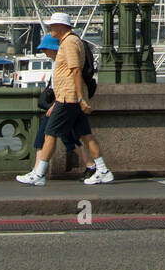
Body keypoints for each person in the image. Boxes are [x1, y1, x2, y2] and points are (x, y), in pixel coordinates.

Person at [15, 13, 113, 186]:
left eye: (52, 26)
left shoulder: (69, 43)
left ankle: (39, 173)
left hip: (68, 98)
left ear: (61, 27)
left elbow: (75, 70)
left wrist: (80, 98)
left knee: (50, 134)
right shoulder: (69, 42)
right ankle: (103, 170)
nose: (50, 29)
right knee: (85, 135)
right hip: (70, 97)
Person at [17, 35, 94, 181]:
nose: (45, 53)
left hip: (63, 104)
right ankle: (92, 165)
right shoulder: (59, 62)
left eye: (46, 49)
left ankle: (37, 172)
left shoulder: (61, 63)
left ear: (54, 49)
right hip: (67, 104)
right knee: (71, 137)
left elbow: (66, 85)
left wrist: (55, 105)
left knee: (44, 135)